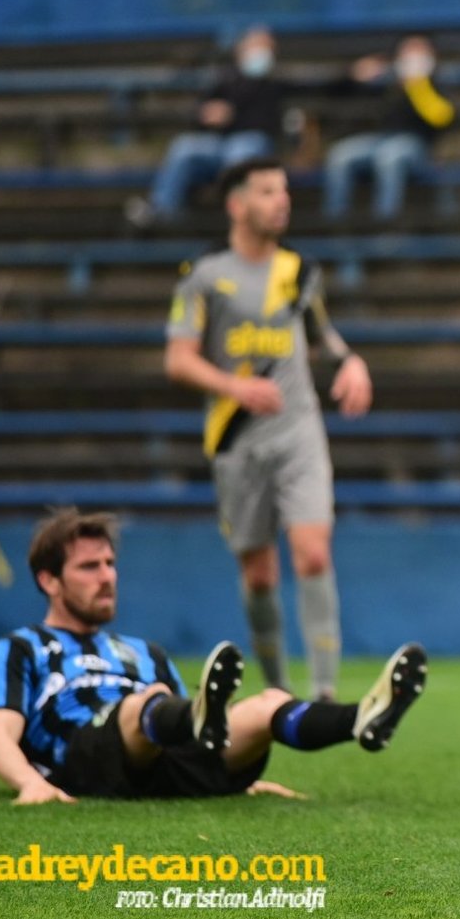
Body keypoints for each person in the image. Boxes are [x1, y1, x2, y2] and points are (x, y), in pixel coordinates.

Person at [0, 508, 426, 804]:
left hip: (159, 761)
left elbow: (196, 729)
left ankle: (362, 719)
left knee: (267, 703)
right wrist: (30, 783)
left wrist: (239, 776)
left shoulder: (143, 652)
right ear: (49, 580)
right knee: (145, 705)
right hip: (84, 759)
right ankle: (190, 726)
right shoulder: (21, 647)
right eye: (89, 567)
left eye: (111, 564)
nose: (107, 577)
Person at [166, 157, 374, 700]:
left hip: (299, 429)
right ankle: (279, 691)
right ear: (237, 205)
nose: (281, 200)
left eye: (283, 190)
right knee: (259, 574)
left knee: (314, 553)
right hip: (236, 439)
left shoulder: (301, 271)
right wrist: (235, 389)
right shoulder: (205, 277)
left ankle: (325, 694)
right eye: (266, 191)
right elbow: (178, 360)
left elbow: (320, 334)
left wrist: (349, 360)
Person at [127, 26, 286, 229]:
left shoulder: (273, 84)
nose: (262, 53)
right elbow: (200, 114)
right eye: (257, 45)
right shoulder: (225, 81)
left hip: (252, 143)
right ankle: (164, 212)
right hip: (219, 144)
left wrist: (235, 116)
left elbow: (266, 123)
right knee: (185, 147)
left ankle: (238, 221)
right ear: (241, 50)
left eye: (267, 47)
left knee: (241, 151)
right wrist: (207, 116)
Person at [322, 35, 455, 222]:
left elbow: (442, 118)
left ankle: (385, 228)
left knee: (389, 156)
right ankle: (335, 225)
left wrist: (418, 86)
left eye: (419, 52)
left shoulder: (437, 82)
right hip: (381, 139)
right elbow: (337, 91)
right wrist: (355, 73)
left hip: (418, 146)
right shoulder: (387, 81)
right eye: (408, 52)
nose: (413, 58)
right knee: (340, 155)